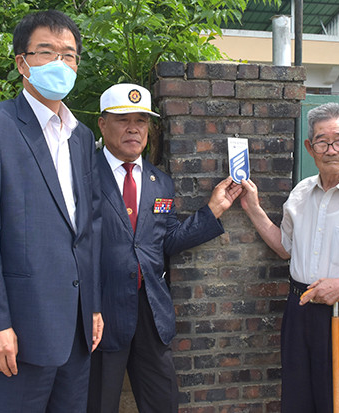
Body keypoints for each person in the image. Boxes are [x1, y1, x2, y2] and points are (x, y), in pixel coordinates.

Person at [0, 10, 103, 412]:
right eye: (47, 52)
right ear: (22, 62)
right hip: (15, 334)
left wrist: (91, 305)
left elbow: (86, 230)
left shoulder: (81, 136)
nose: (60, 63)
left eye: (69, 55)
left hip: (75, 333)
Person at [87, 83, 242, 413]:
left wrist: (213, 210)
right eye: (122, 119)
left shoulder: (160, 181)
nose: (133, 128)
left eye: (141, 120)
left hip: (151, 315)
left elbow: (165, 241)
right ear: (102, 124)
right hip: (102, 312)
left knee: (163, 404)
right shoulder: (84, 176)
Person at [239, 102, 339, 412]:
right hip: (300, 314)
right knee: (297, 400)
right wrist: (253, 209)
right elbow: (285, 248)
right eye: (322, 142)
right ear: (311, 147)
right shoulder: (300, 193)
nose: (331, 150)